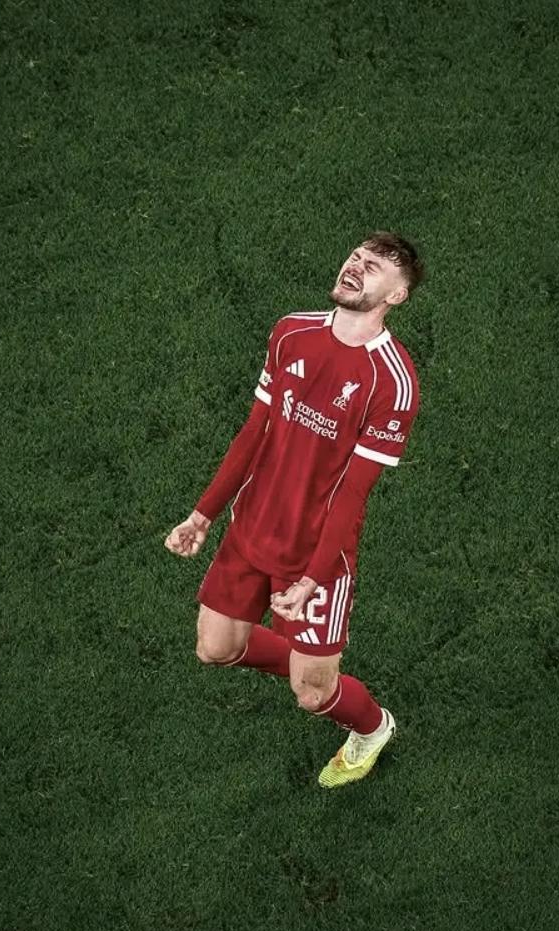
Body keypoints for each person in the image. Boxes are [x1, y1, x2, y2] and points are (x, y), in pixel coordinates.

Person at [165, 231, 424, 788]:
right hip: (250, 531)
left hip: (313, 556)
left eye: (373, 268)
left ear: (395, 296)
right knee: (215, 648)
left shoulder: (393, 382)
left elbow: (352, 494)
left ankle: (372, 726)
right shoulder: (291, 331)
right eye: (356, 256)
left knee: (312, 694)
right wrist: (203, 515)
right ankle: (310, 657)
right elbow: (254, 432)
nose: (355, 266)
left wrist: (311, 579)